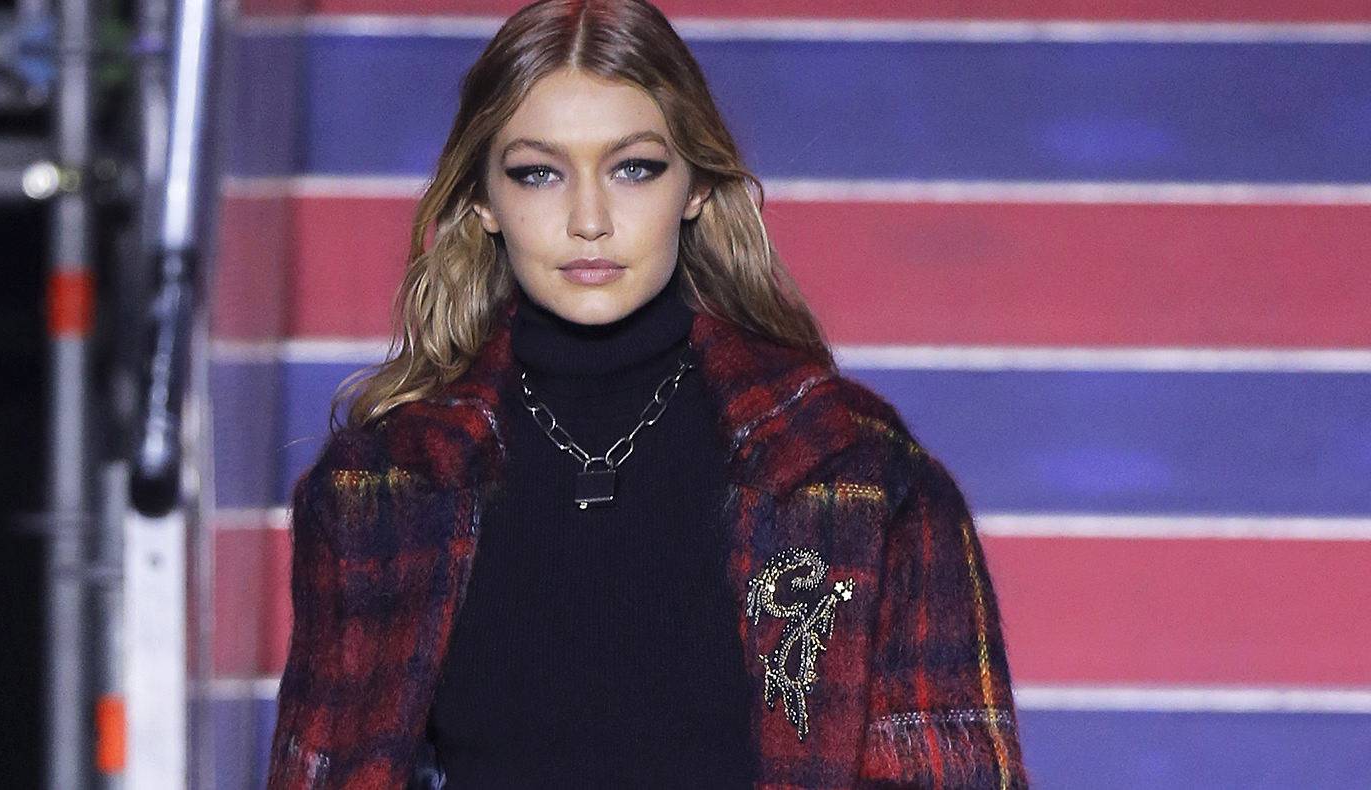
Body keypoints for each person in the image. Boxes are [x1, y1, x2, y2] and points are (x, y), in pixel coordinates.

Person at [266, 1, 1028, 787]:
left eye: (634, 168)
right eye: (538, 172)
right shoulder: (381, 494)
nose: (589, 220)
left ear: (695, 185)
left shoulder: (855, 474)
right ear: (483, 200)